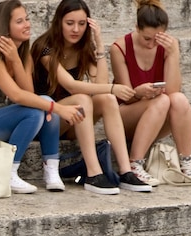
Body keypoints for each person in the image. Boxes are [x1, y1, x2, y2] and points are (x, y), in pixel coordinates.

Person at [0, 0, 85, 194]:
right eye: (19, 21)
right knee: (37, 111)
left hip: (0, 119)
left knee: (44, 103)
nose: (27, 24)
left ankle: (51, 171)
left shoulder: (23, 55)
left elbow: (29, 93)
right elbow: (17, 96)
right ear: (5, 27)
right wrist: (59, 109)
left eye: (27, 19)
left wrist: (16, 60)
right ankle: (8, 172)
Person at [31, 0, 152, 195]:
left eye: (81, 24)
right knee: (83, 99)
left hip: (72, 120)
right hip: (46, 120)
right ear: (59, 22)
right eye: (69, 23)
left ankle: (126, 171)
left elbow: (100, 87)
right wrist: (113, 88)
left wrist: (99, 45)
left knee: (108, 100)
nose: (76, 29)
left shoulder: (82, 48)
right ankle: (94, 173)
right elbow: (70, 86)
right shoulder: (45, 48)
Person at [109, 0, 191, 184]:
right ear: (137, 28)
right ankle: (134, 164)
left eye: (157, 39)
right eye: (147, 38)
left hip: (157, 114)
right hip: (126, 115)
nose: (151, 45)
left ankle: (186, 162)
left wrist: (173, 54)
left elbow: (174, 91)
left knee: (178, 100)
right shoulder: (120, 48)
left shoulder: (167, 47)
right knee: (163, 101)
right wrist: (139, 92)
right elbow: (124, 96)